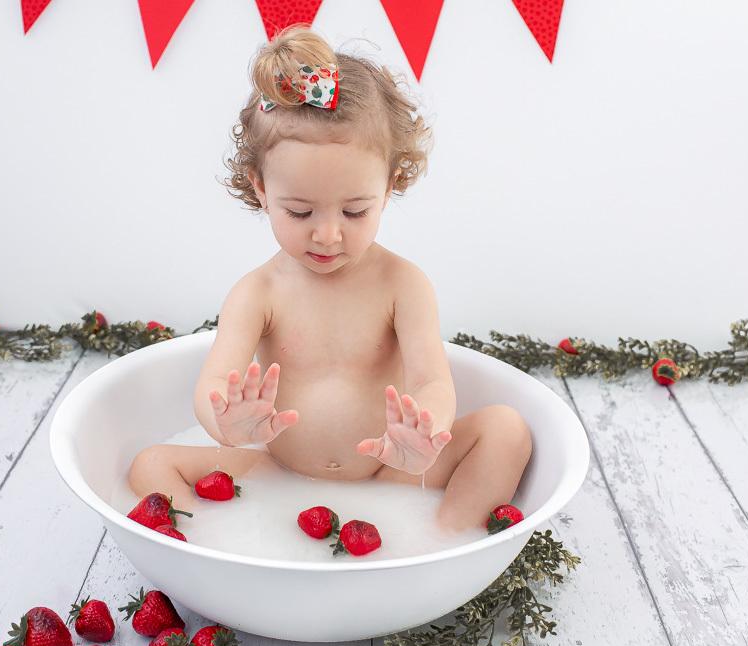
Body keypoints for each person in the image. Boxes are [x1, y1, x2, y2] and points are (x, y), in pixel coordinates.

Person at [130, 26, 531, 532]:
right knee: (149, 464)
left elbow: (432, 378)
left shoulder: (402, 284)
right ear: (260, 188)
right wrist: (226, 424)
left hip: (394, 471)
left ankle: (445, 541)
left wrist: (424, 434)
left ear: (389, 186)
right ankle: (218, 550)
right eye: (299, 212)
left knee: (507, 430)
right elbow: (214, 381)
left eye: (355, 211)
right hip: (278, 473)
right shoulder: (259, 292)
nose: (327, 235)